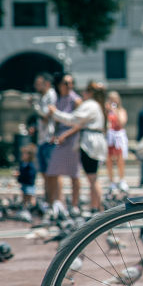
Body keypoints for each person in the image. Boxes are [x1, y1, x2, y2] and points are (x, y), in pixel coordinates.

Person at [51, 79, 107, 211]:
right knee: (93, 177)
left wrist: (55, 113)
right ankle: (96, 207)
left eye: (86, 90)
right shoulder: (97, 105)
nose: (83, 93)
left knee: (92, 178)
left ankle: (98, 208)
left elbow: (73, 119)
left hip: (90, 142)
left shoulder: (90, 104)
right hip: (95, 141)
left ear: (90, 93)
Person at [44, 72, 82, 211]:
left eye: (71, 83)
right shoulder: (59, 100)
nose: (69, 86)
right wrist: (55, 134)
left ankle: (75, 204)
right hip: (60, 139)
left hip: (72, 138)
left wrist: (65, 135)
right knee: (53, 171)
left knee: (74, 174)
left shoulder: (76, 100)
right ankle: (58, 202)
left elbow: (79, 123)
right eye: (66, 83)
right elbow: (56, 122)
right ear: (59, 85)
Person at [31, 72, 58, 199]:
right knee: (44, 173)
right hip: (42, 139)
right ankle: (49, 200)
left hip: (49, 139)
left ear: (46, 84)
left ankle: (55, 200)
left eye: (38, 84)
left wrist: (34, 107)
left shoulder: (51, 96)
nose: (36, 86)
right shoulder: (43, 97)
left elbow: (46, 117)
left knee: (52, 174)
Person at [104, 90, 129, 192]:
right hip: (109, 136)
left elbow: (122, 122)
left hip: (118, 136)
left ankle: (122, 179)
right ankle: (111, 181)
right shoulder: (106, 111)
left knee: (120, 159)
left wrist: (115, 112)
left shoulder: (121, 111)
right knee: (109, 159)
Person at [16, 143, 38, 207]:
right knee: (24, 196)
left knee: (30, 196)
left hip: (29, 184)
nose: (22, 155)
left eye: (24, 154)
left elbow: (30, 174)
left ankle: (33, 206)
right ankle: (25, 207)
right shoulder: (23, 163)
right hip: (24, 183)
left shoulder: (30, 165)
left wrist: (21, 175)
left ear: (30, 155)